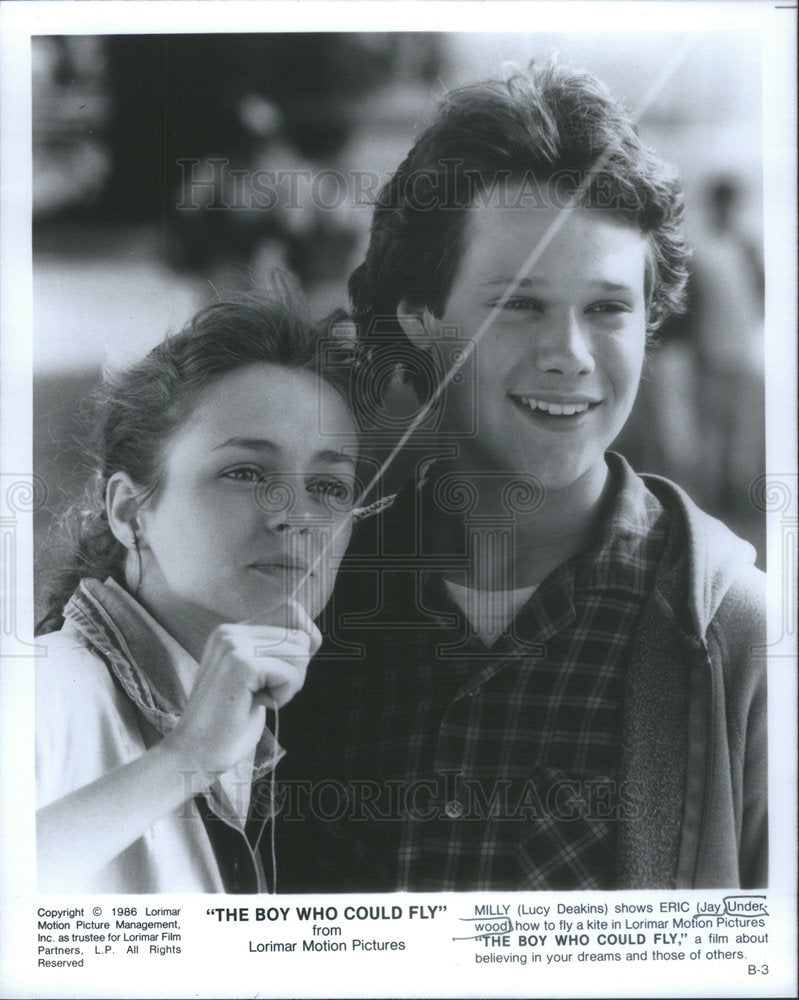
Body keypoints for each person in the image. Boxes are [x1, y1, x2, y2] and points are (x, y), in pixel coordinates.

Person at [275, 63, 767, 891]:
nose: (568, 356)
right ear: (420, 318)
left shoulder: (737, 639)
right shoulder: (306, 594)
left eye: (606, 309)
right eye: (519, 305)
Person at [35, 293, 360, 893]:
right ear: (129, 511)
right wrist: (183, 758)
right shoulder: (40, 690)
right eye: (245, 473)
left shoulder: (260, 725)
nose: (297, 516)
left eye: (329, 486)